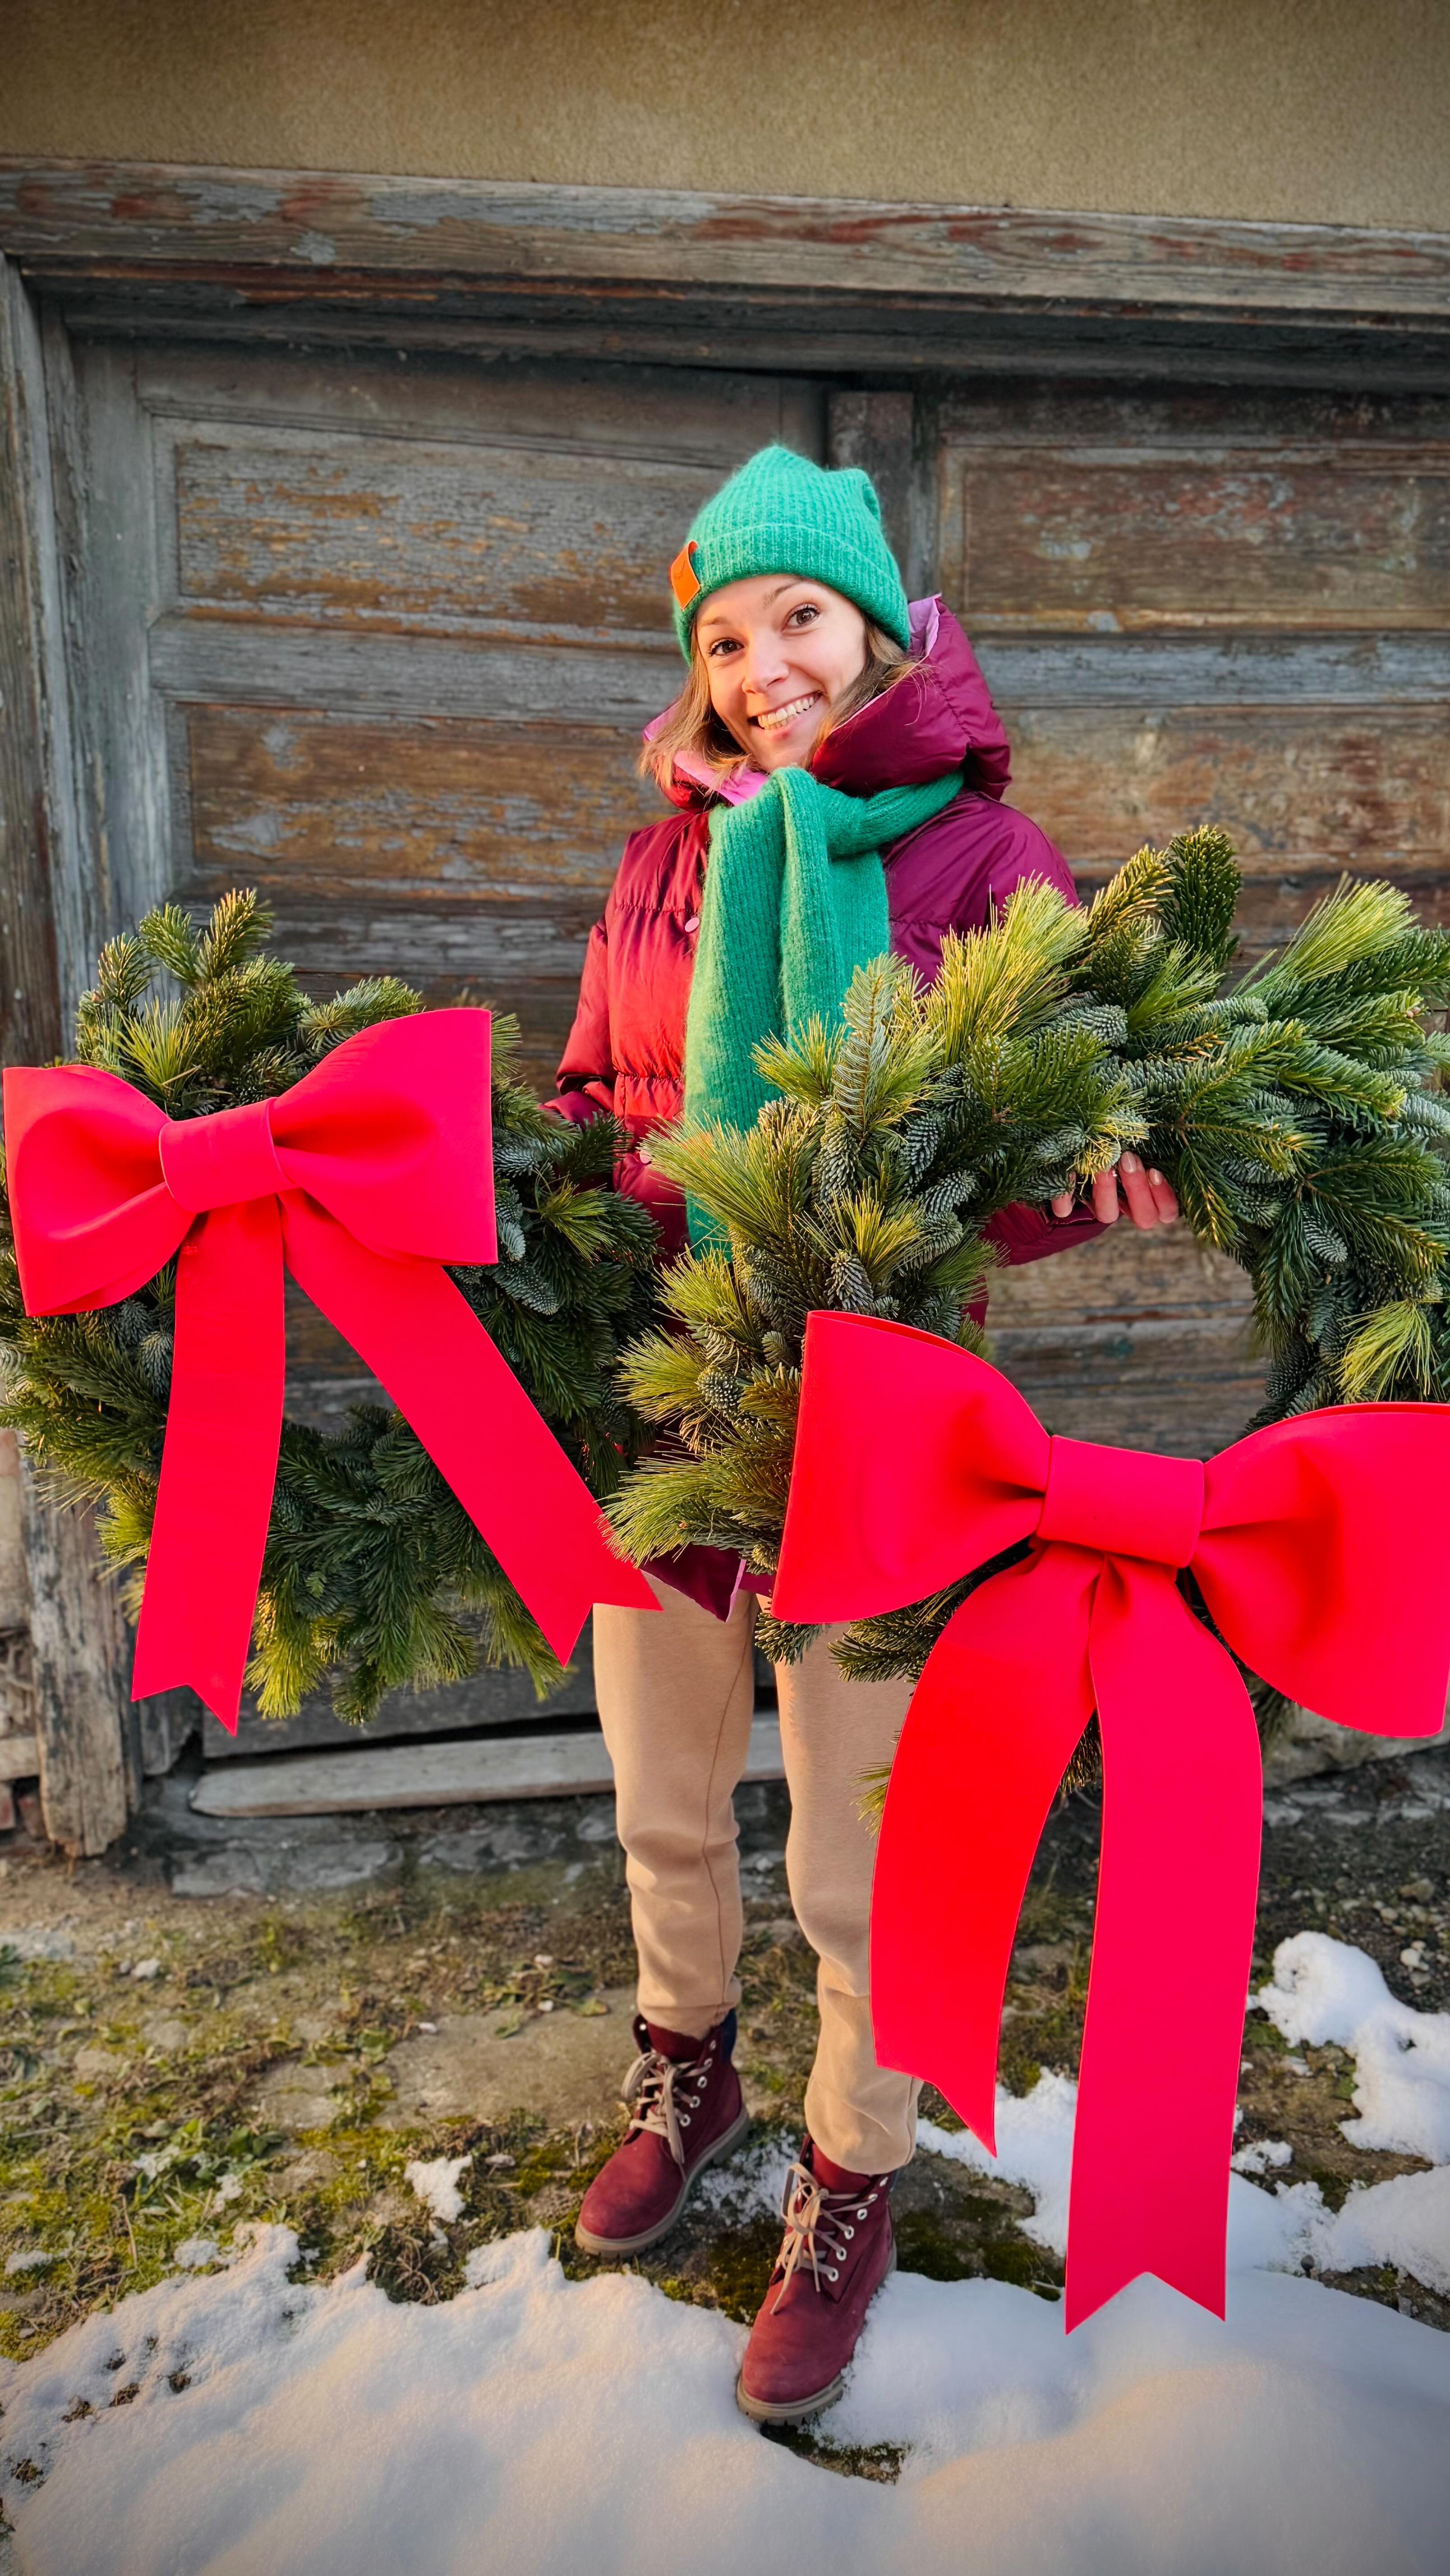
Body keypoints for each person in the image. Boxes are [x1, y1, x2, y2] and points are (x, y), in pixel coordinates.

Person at [547, 446, 1177, 2424]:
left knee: (858, 1828)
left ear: (882, 628)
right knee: (660, 1773)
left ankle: (852, 2165)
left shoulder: (991, 868)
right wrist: (545, 1211)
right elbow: (600, 1096)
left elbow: (1048, 1133)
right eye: (722, 639)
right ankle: (690, 2061)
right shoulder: (666, 856)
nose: (760, 667)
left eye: (797, 620)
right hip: (678, 1385)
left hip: (894, 1406)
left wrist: (1101, 1177)